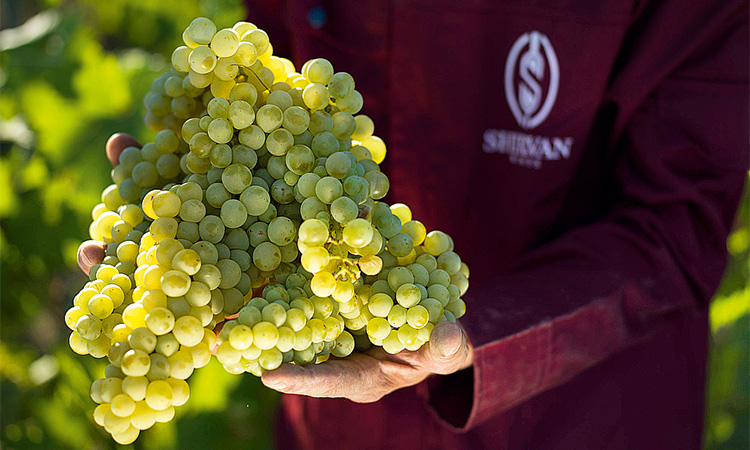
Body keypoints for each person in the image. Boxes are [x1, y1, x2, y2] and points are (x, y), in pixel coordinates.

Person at [80, 0, 749, 448]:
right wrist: (198, 198)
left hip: (570, 420)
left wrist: (485, 337)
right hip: (332, 414)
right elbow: (270, 80)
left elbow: (674, 229)